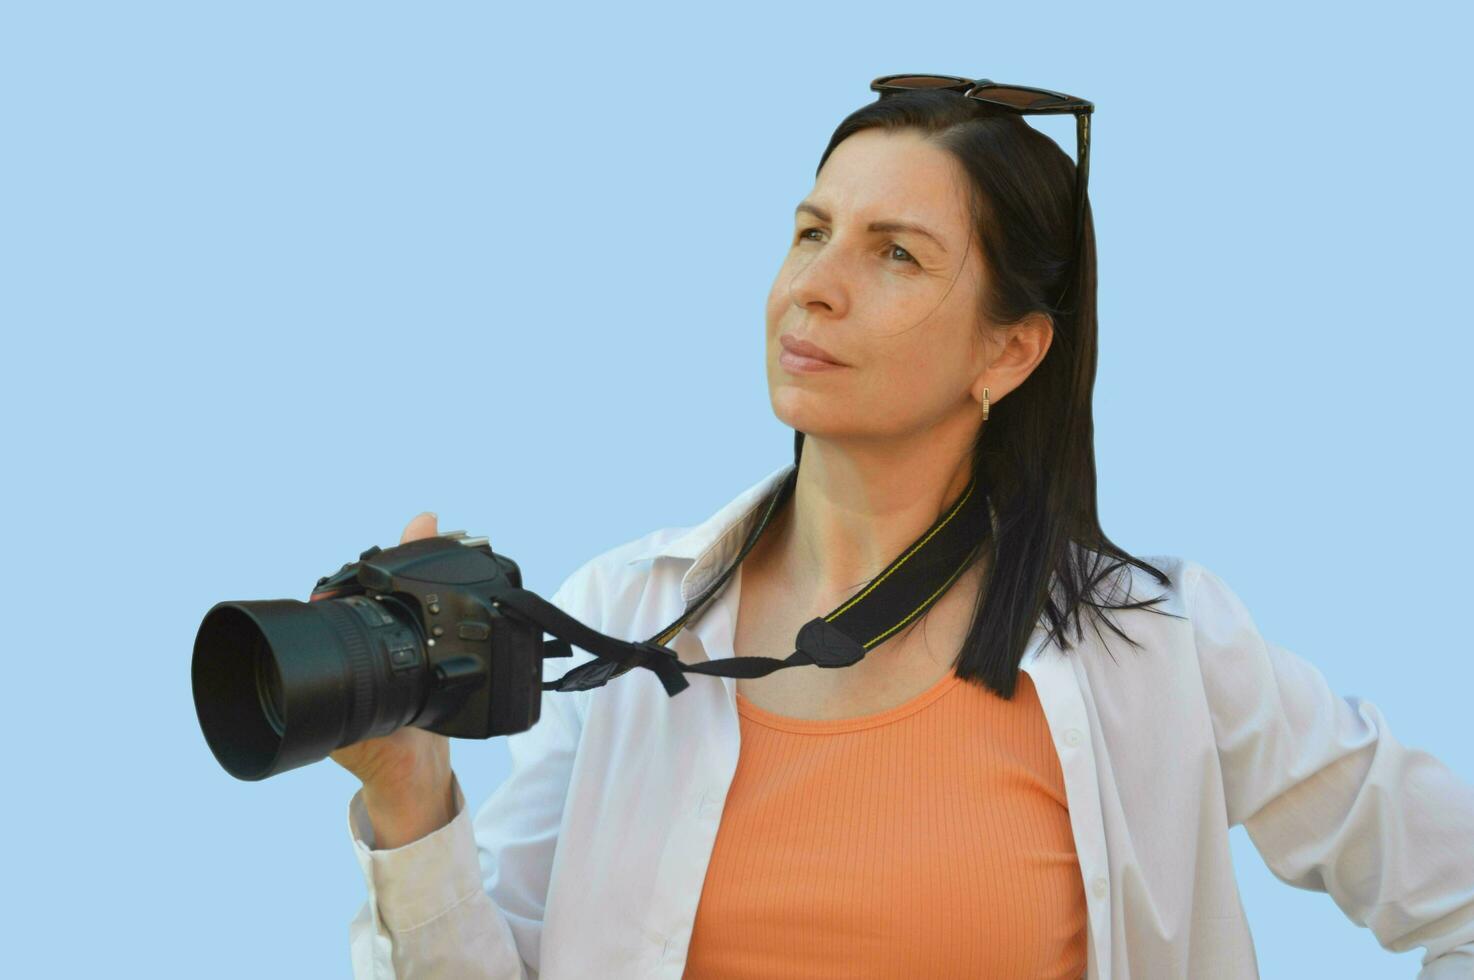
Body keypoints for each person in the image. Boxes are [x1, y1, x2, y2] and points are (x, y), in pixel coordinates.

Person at [333, 78, 1474, 980]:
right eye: (810, 230)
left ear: (1009, 351)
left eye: (896, 254)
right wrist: (409, 794)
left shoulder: (1158, 647)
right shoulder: (631, 617)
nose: (813, 287)